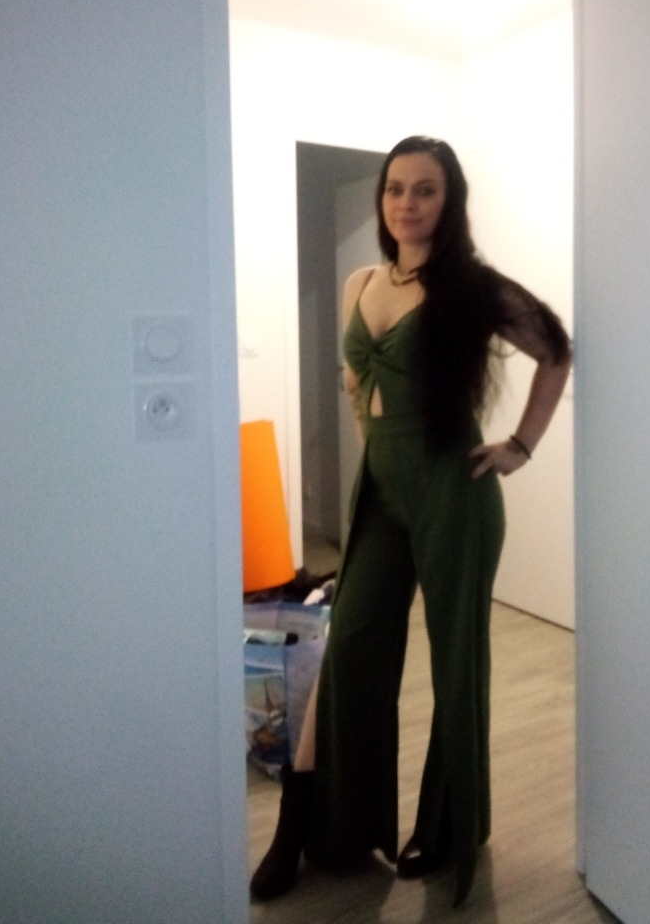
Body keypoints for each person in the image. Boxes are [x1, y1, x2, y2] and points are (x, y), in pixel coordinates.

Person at [250, 136, 572, 906]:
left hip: (453, 490)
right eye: (396, 187)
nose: (407, 202)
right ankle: (314, 825)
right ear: (382, 197)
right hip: (381, 491)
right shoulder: (361, 281)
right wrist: (376, 442)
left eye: (425, 189)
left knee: (457, 658)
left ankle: (449, 828)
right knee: (350, 649)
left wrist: (521, 446)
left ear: (449, 200)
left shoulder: (473, 287)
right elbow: (357, 380)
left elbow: (555, 353)